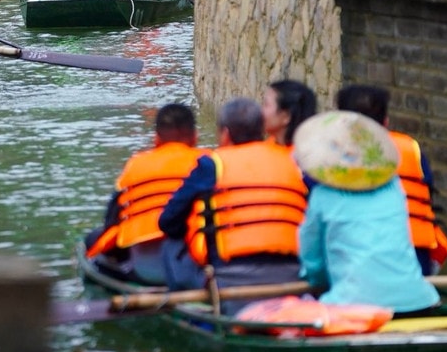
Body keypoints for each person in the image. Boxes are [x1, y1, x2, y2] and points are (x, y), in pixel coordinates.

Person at [158, 97, 308, 307]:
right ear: (262, 130)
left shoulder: (212, 165)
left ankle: (188, 317)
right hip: (293, 274)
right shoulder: (293, 162)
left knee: (171, 245)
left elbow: (168, 222)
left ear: (225, 134)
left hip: (230, 278)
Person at [293, 110, 441, 315]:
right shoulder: (394, 186)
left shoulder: (322, 195)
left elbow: (313, 262)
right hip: (419, 301)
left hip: (353, 305)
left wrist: (319, 281)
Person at [335, 84, 447, 274]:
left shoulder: (335, 156)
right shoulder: (411, 149)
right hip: (418, 260)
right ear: (386, 121)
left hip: (364, 263)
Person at [85, 103, 205, 285]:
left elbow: (111, 220)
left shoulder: (135, 165)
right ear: (195, 137)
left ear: (156, 139)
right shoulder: (209, 163)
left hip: (145, 271)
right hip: (197, 266)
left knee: (92, 239)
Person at [262, 79, 318, 147]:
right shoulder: (270, 143)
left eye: (266, 104)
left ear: (286, 117)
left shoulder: (301, 156)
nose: (260, 111)